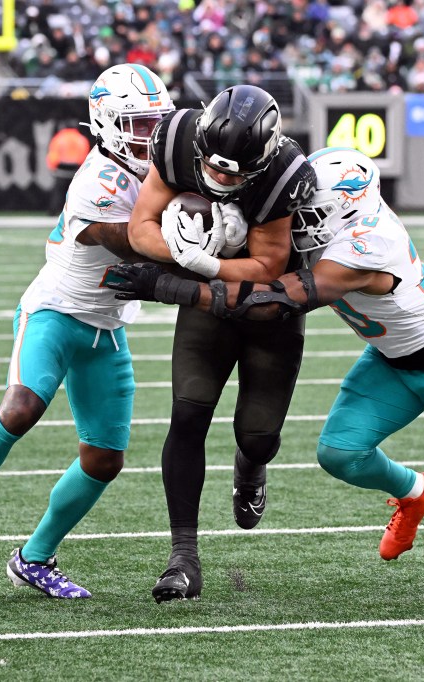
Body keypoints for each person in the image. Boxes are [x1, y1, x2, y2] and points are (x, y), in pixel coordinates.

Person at [109, 147, 424, 594]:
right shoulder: (338, 222)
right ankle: (416, 493)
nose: (297, 219)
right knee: (340, 453)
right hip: (390, 358)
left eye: (308, 212)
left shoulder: (366, 246)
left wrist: (167, 285)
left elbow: (273, 300)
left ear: (341, 211)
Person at [0, 64, 175, 598]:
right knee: (22, 407)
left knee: (104, 459)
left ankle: (35, 557)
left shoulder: (162, 167)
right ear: (108, 122)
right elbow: (141, 246)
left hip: (106, 331)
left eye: (155, 123)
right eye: (138, 124)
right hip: (56, 312)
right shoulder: (97, 180)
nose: (150, 136)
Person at [127, 84, 316, 602]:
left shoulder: (283, 173)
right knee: (188, 412)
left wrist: (204, 264)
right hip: (207, 303)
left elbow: (268, 266)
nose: (222, 179)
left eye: (236, 174)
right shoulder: (176, 138)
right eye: (214, 168)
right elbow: (140, 225)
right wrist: (179, 250)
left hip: (268, 309)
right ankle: (183, 558)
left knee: (258, 436)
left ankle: (250, 469)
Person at [45, 122, 91, 216]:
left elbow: (53, 154)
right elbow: (84, 155)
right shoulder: (81, 139)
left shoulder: (58, 138)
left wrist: (52, 167)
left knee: (58, 192)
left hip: (61, 171)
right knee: (77, 193)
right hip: (76, 170)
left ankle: (53, 212)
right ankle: (78, 212)